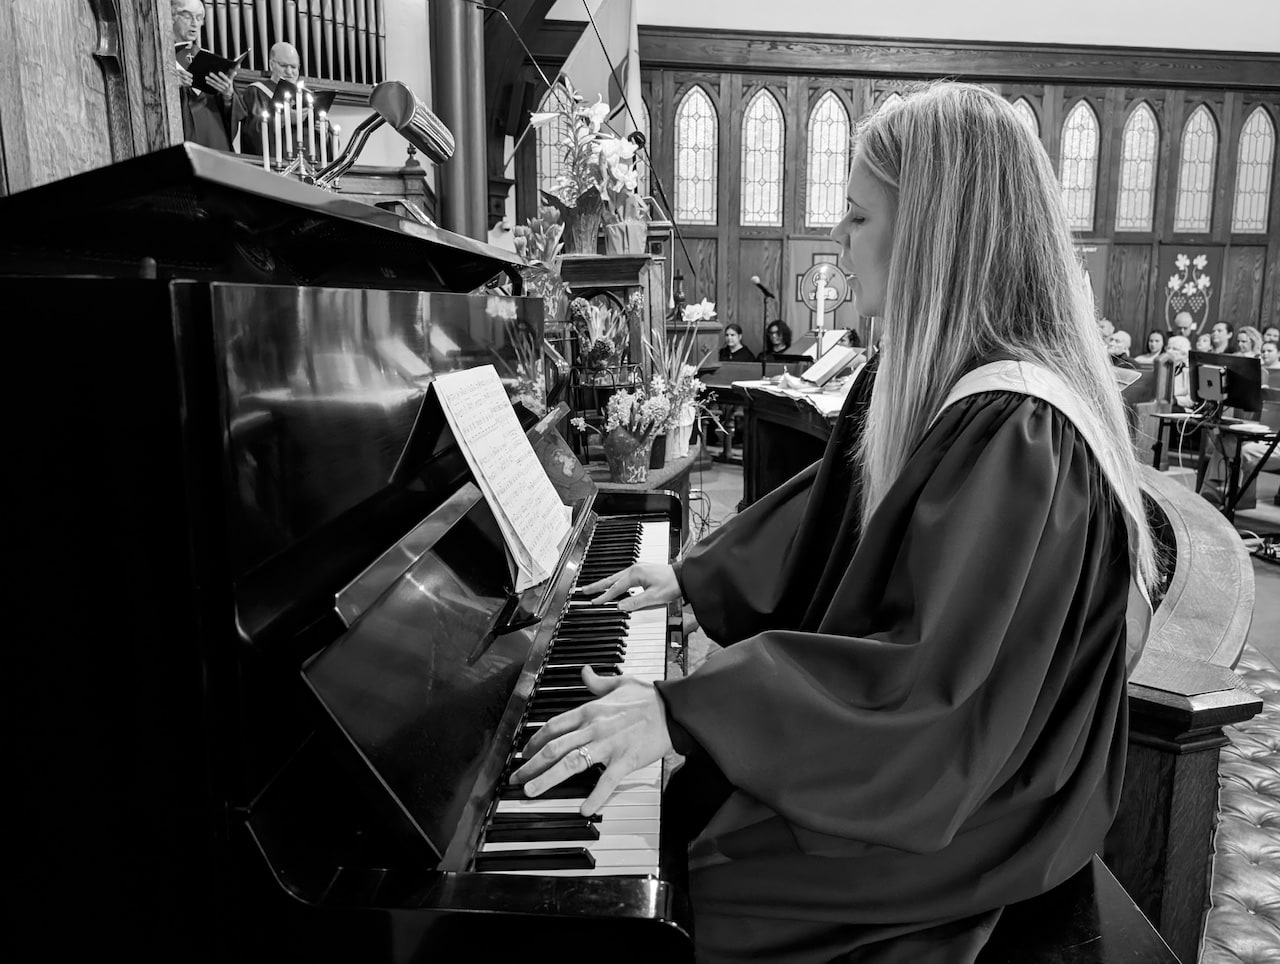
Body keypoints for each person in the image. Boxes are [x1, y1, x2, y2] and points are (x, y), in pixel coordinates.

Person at [513, 82, 1158, 963]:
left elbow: (935, 694)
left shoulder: (1022, 432)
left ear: (935, 236)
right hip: (928, 758)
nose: (837, 242)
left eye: (857, 217)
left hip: (978, 797)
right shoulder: (927, 380)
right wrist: (697, 577)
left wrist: (694, 712)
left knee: (708, 883)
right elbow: (842, 506)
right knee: (684, 812)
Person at [238, 41, 333, 160]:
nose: (289, 71)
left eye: (293, 67)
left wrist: (324, 133)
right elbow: (251, 133)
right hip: (274, 164)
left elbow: (331, 144)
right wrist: (283, 120)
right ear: (271, 65)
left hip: (309, 165)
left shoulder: (309, 97)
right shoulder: (257, 91)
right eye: (283, 65)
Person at [171, 0, 241, 151]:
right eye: (187, 16)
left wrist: (228, 96)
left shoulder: (211, 61)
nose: (194, 23)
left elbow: (236, 118)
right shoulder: (161, 60)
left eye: (199, 17)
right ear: (171, 17)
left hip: (215, 144)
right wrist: (171, 87)